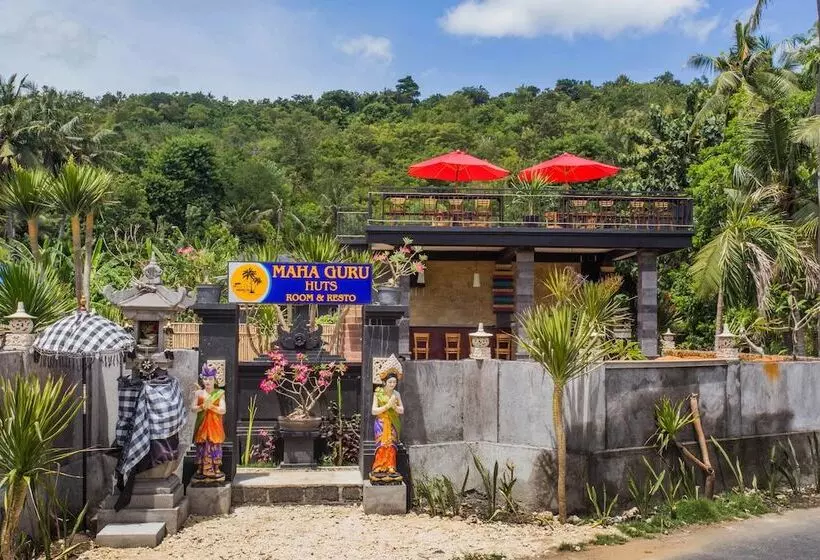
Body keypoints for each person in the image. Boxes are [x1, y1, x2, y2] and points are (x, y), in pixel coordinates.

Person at [191, 363, 226, 482]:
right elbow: (193, 408)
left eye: (210, 379)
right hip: (202, 425)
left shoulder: (220, 393)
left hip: (214, 426)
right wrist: (202, 406)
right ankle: (200, 469)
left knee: (214, 446)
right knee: (201, 445)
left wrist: (210, 406)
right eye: (205, 379)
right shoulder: (199, 393)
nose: (207, 381)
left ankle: (215, 468)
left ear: (214, 380)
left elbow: (223, 410)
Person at [370, 371, 404, 484]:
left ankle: (391, 466)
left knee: (391, 445)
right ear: (385, 382)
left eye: (394, 382)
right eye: (390, 382)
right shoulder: (378, 393)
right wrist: (387, 406)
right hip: (380, 422)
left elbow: (402, 410)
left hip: (393, 422)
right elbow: (374, 411)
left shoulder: (397, 394)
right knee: (381, 445)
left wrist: (394, 407)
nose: (392, 384)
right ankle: (379, 466)